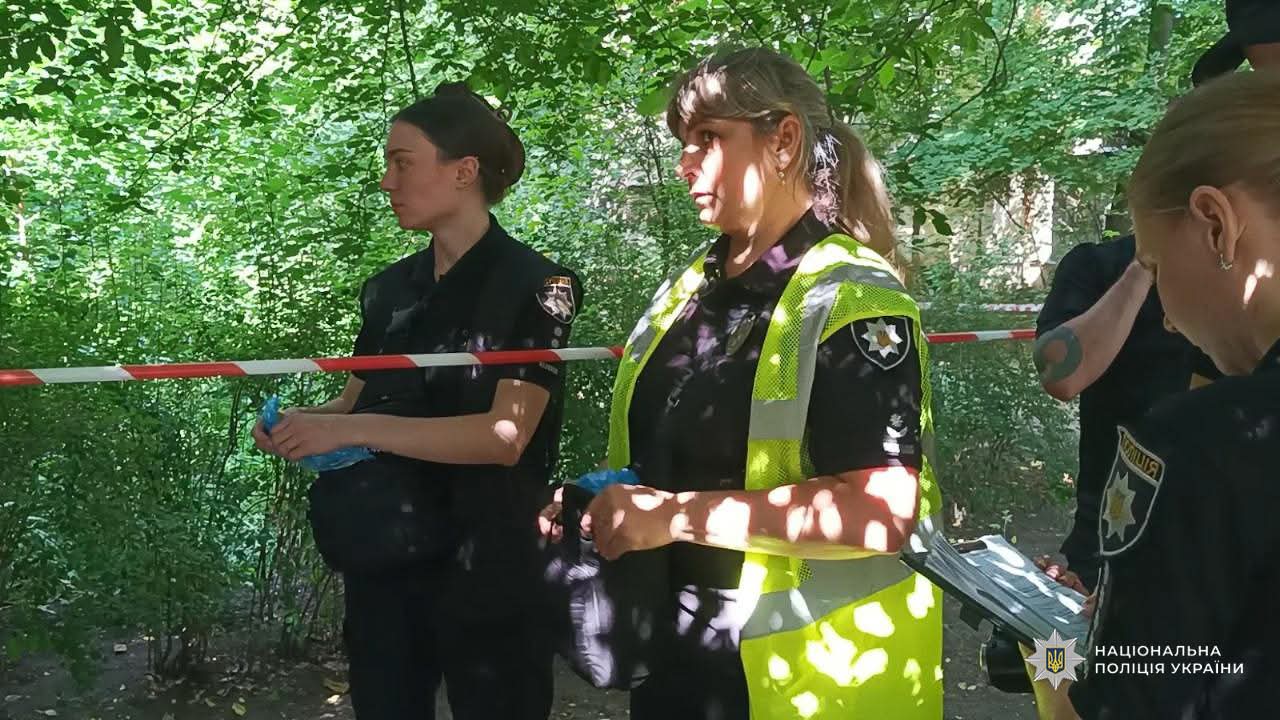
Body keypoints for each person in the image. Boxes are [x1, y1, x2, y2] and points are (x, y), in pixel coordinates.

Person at [542, 47, 944, 719]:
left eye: (708, 137)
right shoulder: (689, 290)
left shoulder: (853, 296)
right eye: (683, 141)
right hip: (675, 651)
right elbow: (675, 455)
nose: (685, 162)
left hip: (807, 677)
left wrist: (671, 515)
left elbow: (881, 512)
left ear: (783, 140)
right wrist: (598, 498)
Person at [251, 82, 583, 720]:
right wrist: (300, 424)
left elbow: (504, 437)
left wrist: (354, 431)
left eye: (402, 163)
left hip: (488, 559)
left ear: (464, 171)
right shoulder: (388, 291)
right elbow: (352, 404)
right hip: (387, 557)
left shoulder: (539, 285)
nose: (387, 182)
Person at [1029, 68, 1280, 720]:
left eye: (1159, 261)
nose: (1168, 320)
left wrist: (1047, 652)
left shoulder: (1198, 444)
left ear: (1216, 224)